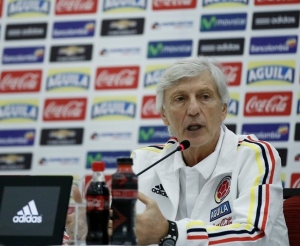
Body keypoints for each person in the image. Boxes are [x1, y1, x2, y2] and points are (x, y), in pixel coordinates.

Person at [66, 56, 289, 246]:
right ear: (164, 115)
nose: (193, 110)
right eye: (180, 99)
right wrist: (91, 234)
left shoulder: (254, 155)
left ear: (223, 110)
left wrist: (170, 232)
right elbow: (119, 232)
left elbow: (253, 236)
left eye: (204, 96)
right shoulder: (143, 162)